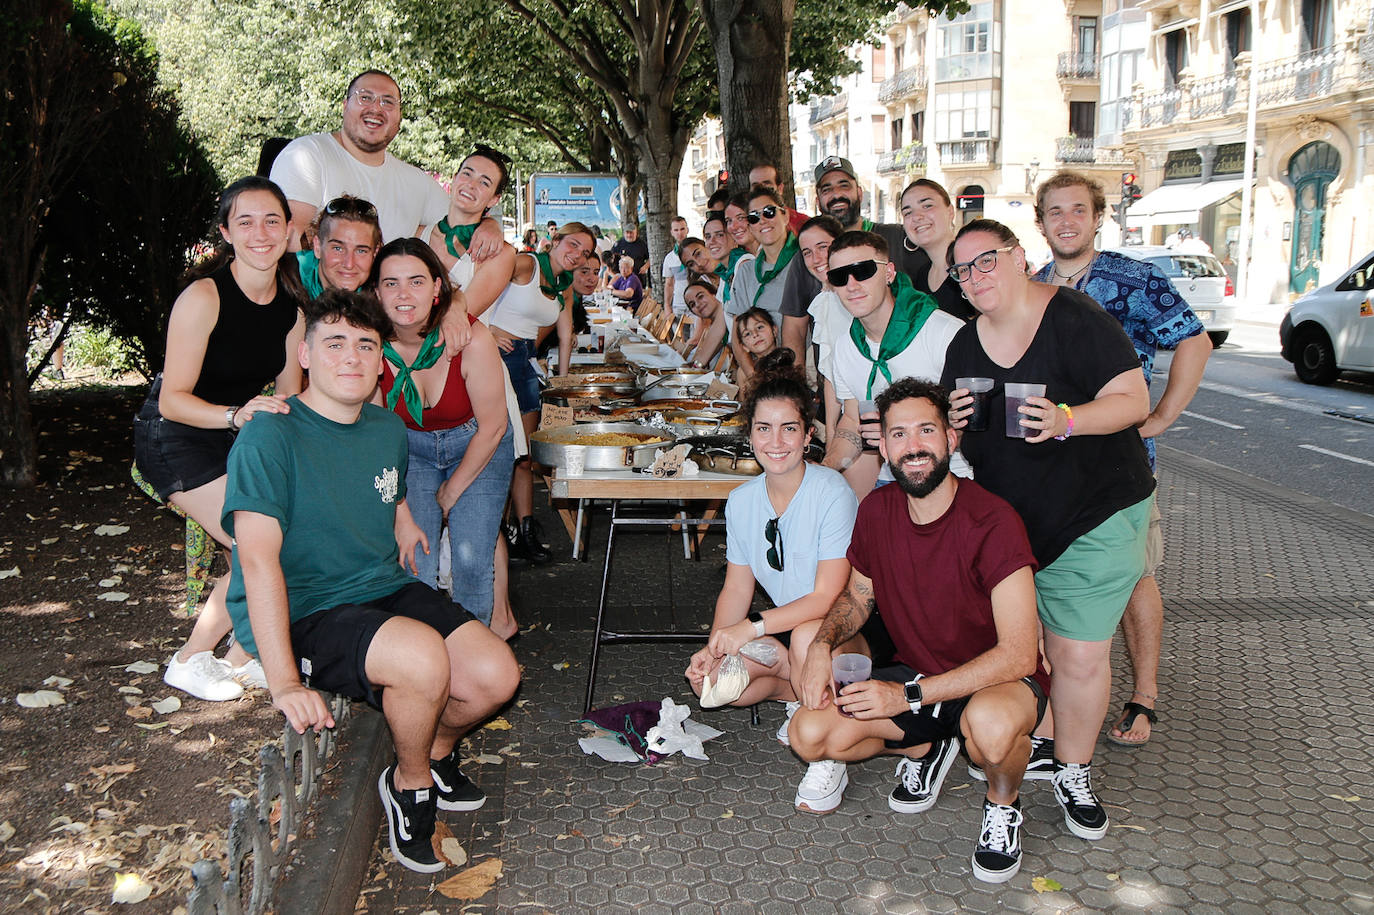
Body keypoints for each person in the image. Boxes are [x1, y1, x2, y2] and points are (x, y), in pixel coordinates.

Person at [222, 290, 519, 874]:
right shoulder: (270, 435)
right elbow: (256, 561)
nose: (351, 357)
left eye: (365, 345)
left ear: (382, 358)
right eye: (334, 343)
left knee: (496, 675)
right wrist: (283, 682)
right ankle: (411, 787)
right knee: (421, 658)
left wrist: (404, 516)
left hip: (378, 583)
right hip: (307, 607)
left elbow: (390, 485)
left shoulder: (385, 427)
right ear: (305, 354)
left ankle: (431, 750)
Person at [940, 218, 1156, 843]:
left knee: (1079, 652)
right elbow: (968, 436)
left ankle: (1074, 771)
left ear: (1019, 257)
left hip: (1096, 510)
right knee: (1031, 650)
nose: (975, 276)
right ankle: (1044, 743)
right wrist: (953, 420)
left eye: (987, 260)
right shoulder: (965, 345)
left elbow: (1133, 401)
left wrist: (1066, 419)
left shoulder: (1074, 319)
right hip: (1017, 522)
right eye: (963, 269)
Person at [789, 379, 1047, 883]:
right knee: (809, 733)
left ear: (951, 438)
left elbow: (1018, 654)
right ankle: (928, 747)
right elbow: (858, 597)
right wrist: (821, 644)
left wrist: (905, 694)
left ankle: (1002, 805)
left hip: (991, 683)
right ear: (882, 448)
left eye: (926, 430)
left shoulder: (993, 521)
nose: (914, 446)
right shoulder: (877, 511)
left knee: (992, 735)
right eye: (899, 434)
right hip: (919, 679)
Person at [1032, 171, 1211, 747]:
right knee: (1055, 574)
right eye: (1055, 211)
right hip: (1053, 466)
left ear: (1097, 217)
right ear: (1040, 222)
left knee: (1136, 578)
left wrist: (1161, 417)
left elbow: (1194, 339)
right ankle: (1062, 692)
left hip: (1122, 467)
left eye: (1077, 210)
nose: (1066, 221)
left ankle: (1143, 697)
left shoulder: (1136, 279)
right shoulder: (1031, 286)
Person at [134, 176, 306, 702]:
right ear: (226, 233)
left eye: (272, 220)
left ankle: (241, 657)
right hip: (175, 436)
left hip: (235, 433)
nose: (260, 233)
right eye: (245, 222)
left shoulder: (292, 308)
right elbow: (172, 400)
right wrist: (236, 417)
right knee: (256, 544)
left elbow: (288, 399)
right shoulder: (204, 296)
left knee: (280, 542)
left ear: (289, 230)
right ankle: (188, 660)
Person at [682, 350, 873, 814]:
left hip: (846, 630)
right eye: (763, 428)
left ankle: (828, 747)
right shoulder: (742, 501)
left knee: (809, 634)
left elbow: (829, 596)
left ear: (808, 434)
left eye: (789, 428)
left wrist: (749, 629)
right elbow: (736, 588)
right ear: (748, 436)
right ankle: (803, 697)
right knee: (716, 689)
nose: (777, 441)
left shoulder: (831, 491)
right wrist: (714, 649)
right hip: (784, 630)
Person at [373, 239, 516, 638]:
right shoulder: (368, 346)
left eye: (416, 281)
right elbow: (376, 436)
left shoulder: (471, 339)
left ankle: (475, 660)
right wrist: (400, 508)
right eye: (391, 283)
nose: (404, 294)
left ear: (437, 288)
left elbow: (493, 428)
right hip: (410, 452)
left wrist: (452, 492)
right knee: (414, 559)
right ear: (376, 291)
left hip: (477, 446)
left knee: (471, 560)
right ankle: (425, 662)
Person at [269, 69, 500, 258]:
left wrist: (490, 226)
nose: (376, 108)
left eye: (388, 102)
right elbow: (290, 238)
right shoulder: (307, 155)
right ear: (344, 105)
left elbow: (464, 217)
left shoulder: (416, 182)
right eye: (365, 97)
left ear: (399, 117)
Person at [820, 231, 965, 497]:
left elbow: (970, 418)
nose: (851, 285)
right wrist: (825, 470)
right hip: (890, 480)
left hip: (953, 480)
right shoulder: (845, 347)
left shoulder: (942, 332)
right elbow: (852, 419)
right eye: (839, 277)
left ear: (889, 273)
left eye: (862, 271)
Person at [485, 222, 594, 562]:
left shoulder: (564, 286)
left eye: (586, 252)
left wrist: (562, 384)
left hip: (525, 364)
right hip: (496, 357)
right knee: (500, 451)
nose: (577, 255)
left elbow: (565, 336)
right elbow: (475, 287)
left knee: (524, 457)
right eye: (573, 245)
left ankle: (525, 530)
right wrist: (485, 329)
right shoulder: (526, 264)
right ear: (555, 240)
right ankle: (498, 534)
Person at [780, 156, 934, 362]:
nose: (836, 195)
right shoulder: (808, 257)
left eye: (844, 186)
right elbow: (794, 329)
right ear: (818, 201)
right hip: (833, 382)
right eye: (827, 190)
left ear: (859, 192)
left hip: (903, 372)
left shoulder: (897, 237)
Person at [795, 215, 854, 445]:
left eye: (823, 247)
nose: (816, 258)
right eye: (807, 252)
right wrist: (831, 435)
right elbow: (830, 375)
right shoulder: (825, 300)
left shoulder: (854, 298)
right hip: (840, 416)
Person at [728, 186, 798, 360]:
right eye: (753, 217)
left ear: (786, 215)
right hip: (761, 371)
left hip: (804, 368)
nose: (763, 221)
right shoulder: (746, 272)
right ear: (750, 227)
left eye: (769, 212)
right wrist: (754, 378)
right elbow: (738, 337)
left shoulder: (805, 262)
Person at [900, 179, 977, 321]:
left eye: (927, 206)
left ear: (950, 211)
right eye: (908, 212)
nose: (917, 217)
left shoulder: (972, 267)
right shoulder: (920, 277)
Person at [295, 195, 381, 297]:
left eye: (361, 251)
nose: (349, 264)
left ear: (375, 253)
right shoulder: (288, 279)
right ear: (317, 247)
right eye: (338, 249)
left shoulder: (384, 290)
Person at [747, 161, 810, 234]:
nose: (761, 190)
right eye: (756, 187)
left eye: (766, 185)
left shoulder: (803, 224)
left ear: (780, 188)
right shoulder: (744, 226)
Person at [731, 306, 780, 385]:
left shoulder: (788, 362)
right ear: (744, 346)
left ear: (774, 330)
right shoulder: (743, 374)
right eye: (747, 334)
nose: (755, 334)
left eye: (760, 327)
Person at [662, 216, 691, 315]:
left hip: (696, 305)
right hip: (678, 305)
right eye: (676, 230)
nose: (680, 233)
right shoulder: (669, 258)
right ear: (672, 232)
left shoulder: (697, 253)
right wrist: (667, 305)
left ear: (687, 230)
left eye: (682, 229)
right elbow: (669, 284)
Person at [723, 194, 760, 258]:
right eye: (729, 221)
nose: (733, 227)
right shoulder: (735, 258)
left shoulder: (775, 251)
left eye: (741, 218)